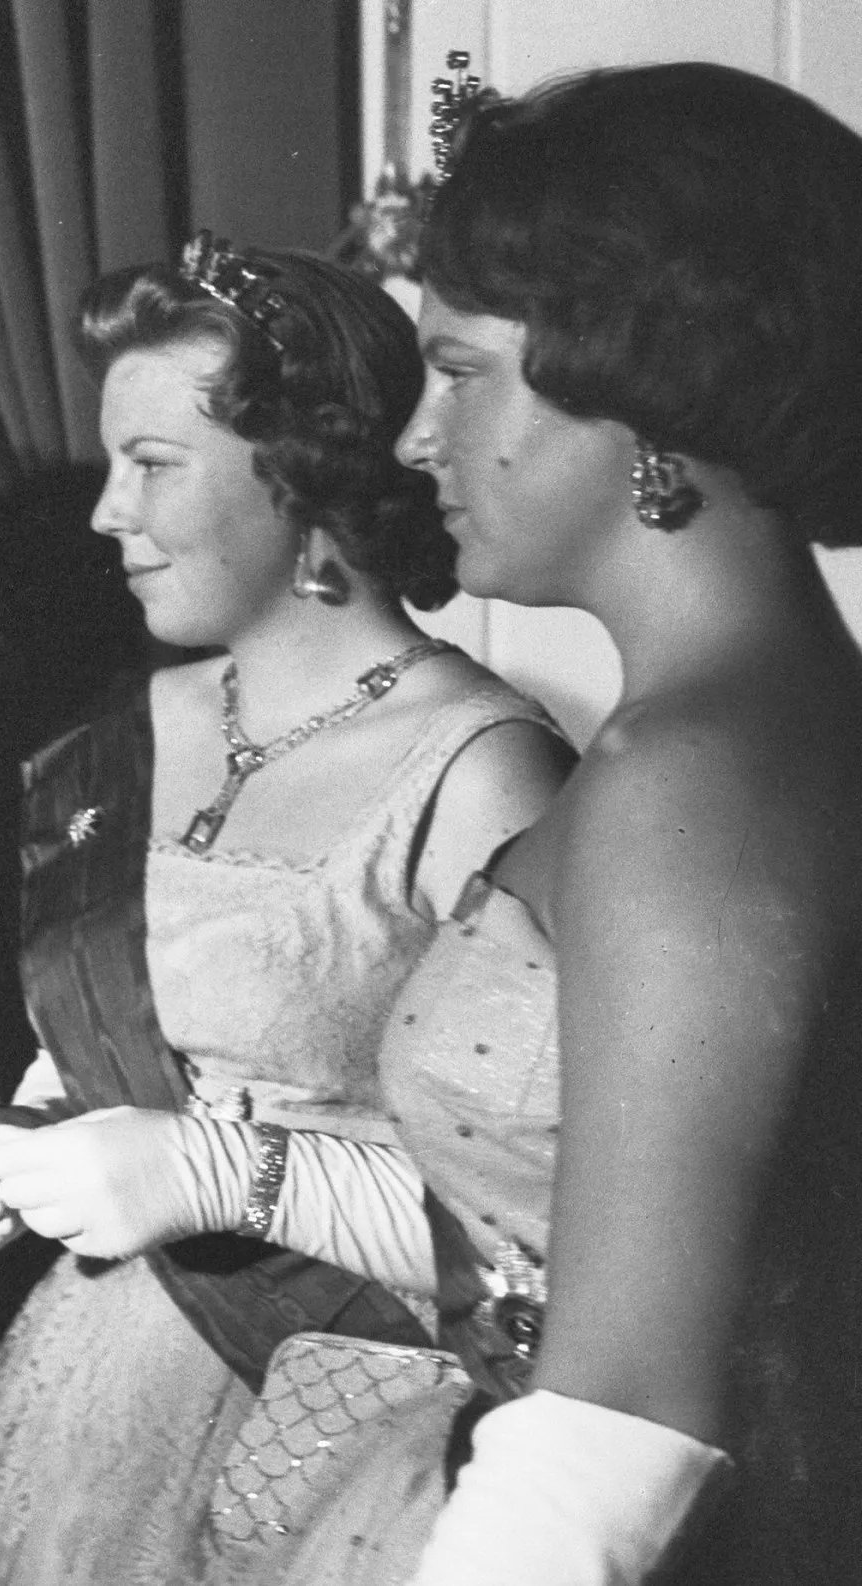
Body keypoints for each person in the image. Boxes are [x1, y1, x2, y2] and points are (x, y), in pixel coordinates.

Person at [0, 236, 572, 1584]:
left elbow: (556, 1225)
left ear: (297, 473)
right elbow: (116, 1052)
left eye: (154, 465)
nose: (102, 514)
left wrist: (212, 1169)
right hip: (83, 1399)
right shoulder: (119, 736)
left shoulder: (483, 769)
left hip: (351, 1446)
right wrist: (8, 1146)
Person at [271, 60, 862, 1586]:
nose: (414, 440)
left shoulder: (696, 783)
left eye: (460, 371)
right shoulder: (742, 728)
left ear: (638, 384)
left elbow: (626, 1412)